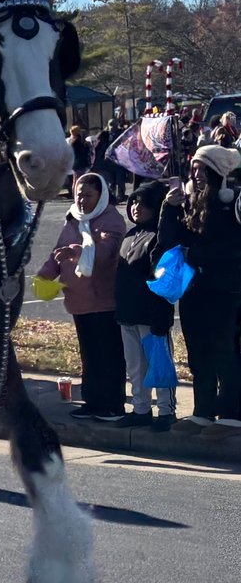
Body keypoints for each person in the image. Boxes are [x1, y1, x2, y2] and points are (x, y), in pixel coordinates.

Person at [158, 144, 241, 431]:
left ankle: (231, 412)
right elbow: (169, 243)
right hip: (193, 290)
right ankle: (202, 410)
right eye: (194, 168)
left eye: (202, 168)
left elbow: (235, 246)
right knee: (198, 351)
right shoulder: (188, 204)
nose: (196, 174)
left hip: (225, 290)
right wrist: (168, 210)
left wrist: (199, 255)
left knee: (224, 350)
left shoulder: (232, 203)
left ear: (217, 172)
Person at [37, 171, 127, 420]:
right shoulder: (72, 219)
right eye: (79, 195)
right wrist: (44, 275)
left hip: (104, 300)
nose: (82, 201)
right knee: (89, 355)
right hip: (78, 301)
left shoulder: (111, 220)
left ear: (101, 196)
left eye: (88, 196)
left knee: (108, 354)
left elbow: (107, 252)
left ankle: (112, 404)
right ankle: (93, 401)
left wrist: (79, 252)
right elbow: (57, 252)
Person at [114, 182, 177, 431]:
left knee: (158, 364)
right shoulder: (131, 235)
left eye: (143, 202)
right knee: (135, 366)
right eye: (134, 202)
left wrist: (161, 314)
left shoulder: (161, 236)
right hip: (128, 312)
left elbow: (161, 274)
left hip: (152, 314)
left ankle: (166, 411)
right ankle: (141, 409)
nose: (137, 207)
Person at [66, 125, 91, 197]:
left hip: (75, 164)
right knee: (79, 180)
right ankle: (77, 194)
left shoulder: (70, 141)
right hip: (80, 163)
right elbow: (84, 151)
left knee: (75, 180)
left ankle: (75, 194)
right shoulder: (78, 141)